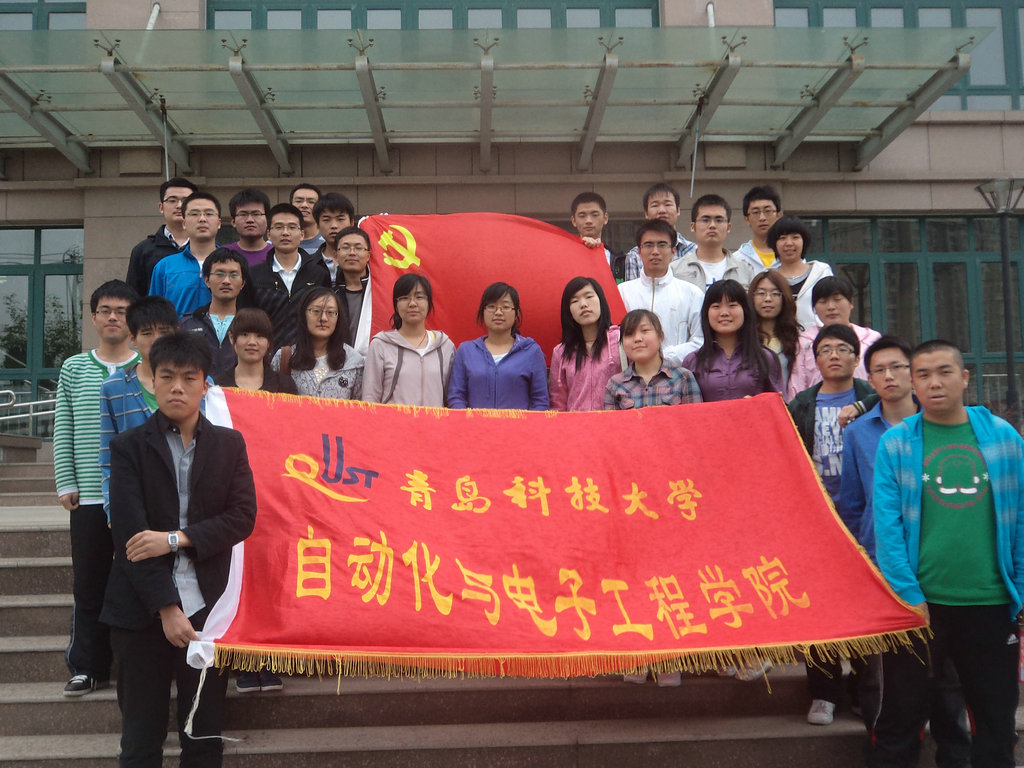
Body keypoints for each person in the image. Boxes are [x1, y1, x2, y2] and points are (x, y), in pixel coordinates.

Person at [101, 331, 257, 767]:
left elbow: (242, 517)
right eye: (166, 376)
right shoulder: (128, 448)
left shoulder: (229, 445)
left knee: (204, 738)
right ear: (151, 381)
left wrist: (176, 538)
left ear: (205, 385)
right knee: (140, 741)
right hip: (140, 612)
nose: (177, 387)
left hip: (208, 612)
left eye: (189, 378)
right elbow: (130, 538)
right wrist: (167, 609)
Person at [870, 339, 1023, 768]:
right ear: (912, 383)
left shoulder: (1004, 438)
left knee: (995, 722)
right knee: (901, 718)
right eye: (923, 374)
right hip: (920, 608)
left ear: (965, 377)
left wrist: (1020, 589)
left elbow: (1021, 517)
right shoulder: (897, 444)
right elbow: (888, 529)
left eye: (944, 372)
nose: (934, 383)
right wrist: (908, 594)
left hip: (991, 604)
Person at [839, 336, 971, 768]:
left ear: (912, 375)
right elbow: (852, 503)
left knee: (949, 675)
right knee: (887, 677)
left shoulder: (943, 426)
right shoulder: (858, 432)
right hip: (884, 569)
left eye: (897, 367)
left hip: (941, 564)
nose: (889, 376)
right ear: (870, 378)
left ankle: (955, 752)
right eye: (879, 370)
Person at [54, 280, 140, 697]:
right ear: (93, 317)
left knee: (136, 582)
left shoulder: (146, 367)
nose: (113, 317)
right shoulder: (74, 368)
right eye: (105, 310)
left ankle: (137, 665)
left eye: (121, 311)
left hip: (135, 496)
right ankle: (87, 666)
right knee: (89, 583)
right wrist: (65, 480)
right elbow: (64, 427)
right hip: (88, 493)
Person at [788, 324, 875, 727]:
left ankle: (861, 688)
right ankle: (823, 692)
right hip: (817, 524)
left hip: (865, 522)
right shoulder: (803, 404)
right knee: (819, 609)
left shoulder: (873, 399)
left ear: (857, 358)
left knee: (864, 609)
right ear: (815, 360)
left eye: (843, 349)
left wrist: (864, 406)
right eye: (825, 350)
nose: (834, 355)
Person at [99, 296, 179, 525]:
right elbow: (107, 455)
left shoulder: (199, 383)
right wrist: (113, 509)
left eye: (164, 331)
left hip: (186, 503)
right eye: (147, 333)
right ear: (132, 338)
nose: (157, 340)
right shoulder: (113, 387)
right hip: (136, 503)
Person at [447, 282, 548, 410]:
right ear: (483, 312)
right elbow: (456, 396)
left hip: (518, 423)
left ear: (516, 313)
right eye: (491, 306)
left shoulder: (531, 352)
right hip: (474, 423)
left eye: (505, 307)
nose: (498, 312)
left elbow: (540, 401)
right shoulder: (466, 351)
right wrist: (468, 420)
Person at [618, 219, 704, 365]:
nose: (655, 251)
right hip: (632, 375)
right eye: (648, 245)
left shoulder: (692, 294)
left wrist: (663, 356)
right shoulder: (622, 292)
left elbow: (700, 341)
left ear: (673, 251)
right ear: (639, 251)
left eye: (662, 245)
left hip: (678, 375)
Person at [250, 203, 331, 353]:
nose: (285, 233)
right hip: (264, 356)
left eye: (292, 227)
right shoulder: (254, 274)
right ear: (269, 234)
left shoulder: (318, 273)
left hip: (308, 355)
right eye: (279, 227)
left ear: (302, 234)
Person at [362, 274, 454, 407]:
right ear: (396, 305)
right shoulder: (380, 345)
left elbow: (452, 397)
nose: (412, 303)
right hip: (392, 420)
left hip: (434, 420)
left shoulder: (445, 346)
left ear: (429, 303)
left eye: (419, 297)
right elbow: (370, 397)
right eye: (405, 298)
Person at [682, 279, 781, 402]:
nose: (724, 313)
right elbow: (686, 409)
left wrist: (757, 404)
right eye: (716, 306)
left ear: (745, 311)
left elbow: (778, 405)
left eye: (732, 305)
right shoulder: (692, 361)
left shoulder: (765, 358)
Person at [787, 275, 881, 400]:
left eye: (837, 300)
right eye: (823, 302)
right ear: (814, 308)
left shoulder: (871, 339)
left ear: (851, 303)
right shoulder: (804, 342)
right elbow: (797, 385)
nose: (831, 307)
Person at [271, 287, 363, 400]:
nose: (323, 318)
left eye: (330, 312)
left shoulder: (354, 362)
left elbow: (360, 408)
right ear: (303, 315)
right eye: (316, 311)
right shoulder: (284, 357)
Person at [604, 309, 703, 412]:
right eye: (629, 334)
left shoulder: (683, 378)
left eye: (644, 331)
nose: (637, 338)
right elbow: (611, 422)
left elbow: (696, 419)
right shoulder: (614, 384)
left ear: (660, 336)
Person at [549, 276, 622, 412]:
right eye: (574, 301)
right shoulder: (561, 352)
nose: (583, 304)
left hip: (615, 422)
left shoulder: (621, 340)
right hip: (576, 424)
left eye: (589, 297)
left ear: (601, 300)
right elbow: (558, 403)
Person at [180, 248, 254, 379]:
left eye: (233, 275)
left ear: (243, 283)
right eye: (220, 274)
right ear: (207, 280)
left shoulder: (252, 325)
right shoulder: (187, 324)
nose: (226, 281)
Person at [148, 191, 223, 318]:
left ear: (219, 223)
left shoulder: (233, 264)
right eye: (194, 214)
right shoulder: (165, 267)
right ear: (184, 223)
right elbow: (153, 313)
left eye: (209, 214)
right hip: (177, 331)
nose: (202, 219)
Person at [126, 177, 197, 296]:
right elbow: (133, 296)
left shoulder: (207, 249)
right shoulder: (143, 250)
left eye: (186, 200)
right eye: (172, 200)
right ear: (161, 207)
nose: (179, 205)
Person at [672, 193, 756, 292]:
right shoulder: (675, 270)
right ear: (692, 226)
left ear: (728, 227)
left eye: (719, 220)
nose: (712, 225)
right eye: (705, 220)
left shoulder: (745, 270)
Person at [767, 215, 832, 333]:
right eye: (782, 238)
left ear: (804, 241)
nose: (789, 243)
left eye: (795, 237)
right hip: (777, 340)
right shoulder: (767, 277)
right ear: (774, 243)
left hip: (817, 339)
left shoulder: (821, 272)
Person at [622, 183, 698, 281]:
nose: (662, 210)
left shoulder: (694, 251)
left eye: (668, 204)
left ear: (678, 210)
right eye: (655, 205)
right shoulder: (635, 256)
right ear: (646, 213)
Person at [215, 307, 297, 396]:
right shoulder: (218, 386)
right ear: (231, 338)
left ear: (269, 341)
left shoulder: (285, 386)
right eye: (245, 334)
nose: (252, 342)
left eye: (260, 336)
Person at [749, 269, 801, 397]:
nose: (768, 299)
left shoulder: (797, 339)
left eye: (775, 294)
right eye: (761, 293)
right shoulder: (744, 339)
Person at [333, 225, 372, 356]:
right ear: (335, 255)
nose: (352, 253)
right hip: (340, 361)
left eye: (358, 248)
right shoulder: (331, 296)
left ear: (368, 255)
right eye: (345, 248)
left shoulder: (380, 293)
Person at [569, 192, 622, 280]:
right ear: (573, 221)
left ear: (605, 218)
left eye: (594, 215)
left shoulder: (620, 260)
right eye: (582, 216)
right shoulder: (565, 256)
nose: (588, 221)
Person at [735, 185, 783, 273]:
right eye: (756, 212)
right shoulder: (737, 260)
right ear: (747, 219)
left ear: (778, 216)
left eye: (767, 211)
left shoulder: (791, 257)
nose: (762, 218)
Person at [311, 192, 356, 284]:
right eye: (326, 220)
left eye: (340, 219)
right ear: (318, 225)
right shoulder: (308, 264)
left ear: (351, 223)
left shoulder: (363, 262)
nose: (334, 226)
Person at [224, 187, 272, 267]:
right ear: (233, 222)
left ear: (267, 220)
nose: (250, 220)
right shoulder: (223, 254)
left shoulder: (278, 254)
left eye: (256, 214)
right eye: (243, 214)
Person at [289, 182, 324, 253]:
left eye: (311, 202)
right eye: (298, 201)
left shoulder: (329, 243)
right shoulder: (274, 243)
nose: (304, 205)